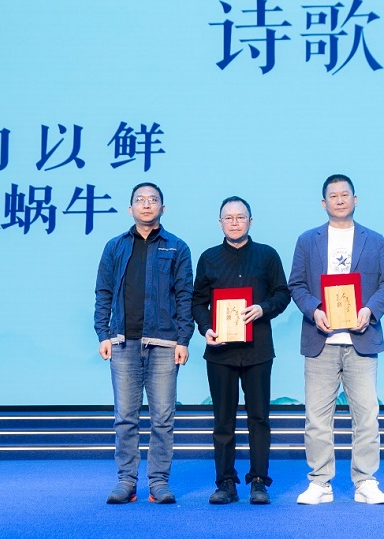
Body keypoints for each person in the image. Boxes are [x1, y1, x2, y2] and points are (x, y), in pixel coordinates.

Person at [288, 174, 384, 505]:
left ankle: (365, 481)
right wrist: (314, 310)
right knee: (317, 418)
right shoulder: (307, 240)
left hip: (361, 340)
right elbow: (296, 285)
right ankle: (320, 482)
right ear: (323, 203)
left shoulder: (374, 240)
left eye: (344, 194)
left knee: (366, 415)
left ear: (355, 199)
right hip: (320, 340)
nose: (339, 200)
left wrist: (370, 311)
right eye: (333, 196)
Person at [94, 182, 193, 505]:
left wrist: (183, 340)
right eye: (140, 200)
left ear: (163, 208)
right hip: (123, 343)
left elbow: (185, 297)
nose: (146, 204)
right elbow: (103, 292)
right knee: (125, 417)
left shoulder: (177, 247)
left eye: (153, 200)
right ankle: (126, 481)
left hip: (164, 344)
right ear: (130, 209)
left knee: (163, 418)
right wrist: (103, 334)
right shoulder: (115, 247)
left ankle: (159, 482)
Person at [192, 196, 291, 505]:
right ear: (220, 222)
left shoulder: (267, 255)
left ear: (251, 221)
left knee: (259, 418)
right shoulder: (208, 258)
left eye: (240, 217)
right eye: (228, 217)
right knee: (223, 420)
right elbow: (197, 301)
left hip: (258, 350)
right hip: (219, 352)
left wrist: (263, 308)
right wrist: (205, 328)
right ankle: (225, 483)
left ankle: (259, 481)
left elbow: (283, 294)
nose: (234, 222)